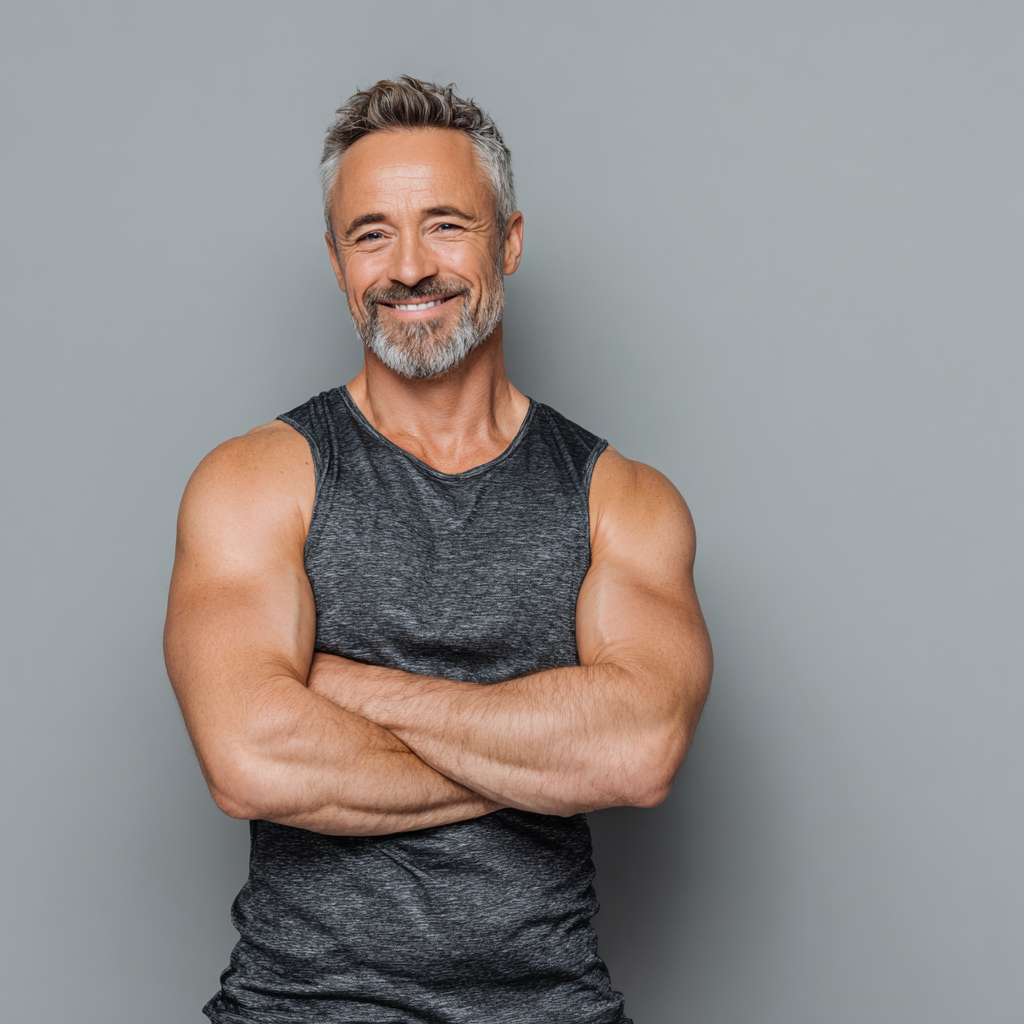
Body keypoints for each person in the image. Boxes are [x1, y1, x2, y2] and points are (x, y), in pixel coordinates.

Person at [164, 76, 713, 1024]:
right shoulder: (256, 481)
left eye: (447, 224)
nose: (409, 266)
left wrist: (346, 687)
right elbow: (250, 759)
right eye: (372, 232)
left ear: (509, 240)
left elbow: (637, 750)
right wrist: (538, 758)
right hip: (298, 1007)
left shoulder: (621, 499)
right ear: (337, 261)